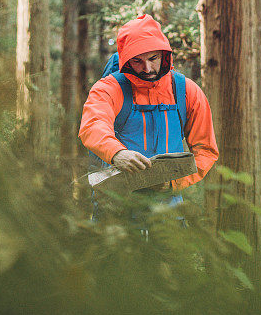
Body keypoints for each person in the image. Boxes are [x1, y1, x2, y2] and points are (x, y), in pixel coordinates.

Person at [78, 14, 219, 203]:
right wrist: (117, 153)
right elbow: (93, 125)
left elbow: (206, 150)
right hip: (116, 210)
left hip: (168, 214)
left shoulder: (187, 91)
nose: (147, 68)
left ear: (164, 54)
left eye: (153, 58)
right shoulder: (109, 89)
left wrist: (174, 183)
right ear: (126, 60)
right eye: (137, 61)